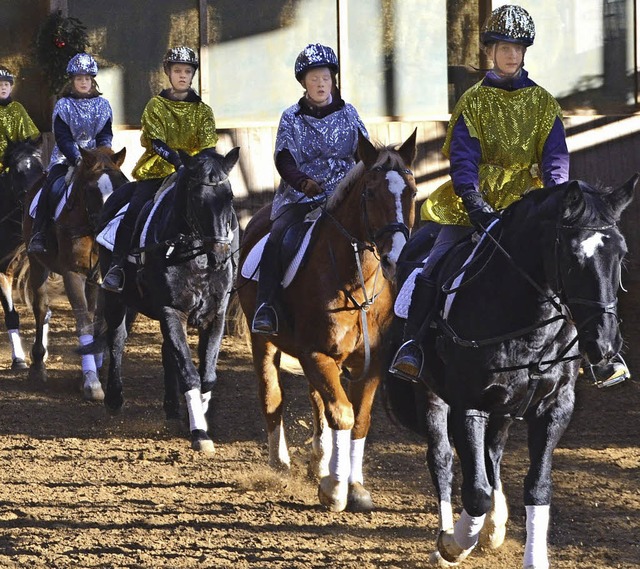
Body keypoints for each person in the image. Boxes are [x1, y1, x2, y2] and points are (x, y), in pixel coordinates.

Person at [391, 5, 630, 387]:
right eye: (504, 47)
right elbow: (464, 159)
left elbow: (554, 158)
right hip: (474, 203)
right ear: (490, 51)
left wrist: (555, 200)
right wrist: (474, 203)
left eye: (518, 48)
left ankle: (600, 354)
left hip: (529, 205)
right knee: (434, 264)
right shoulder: (473, 101)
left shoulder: (543, 102)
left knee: (573, 265)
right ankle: (413, 346)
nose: (511, 54)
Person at [251, 43, 368, 335]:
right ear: (303, 82)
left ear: (333, 80)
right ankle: (266, 305)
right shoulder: (291, 117)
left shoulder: (349, 113)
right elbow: (284, 157)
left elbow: (364, 152)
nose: (320, 84)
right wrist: (302, 181)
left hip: (343, 191)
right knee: (277, 238)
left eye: (325, 78)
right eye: (314, 79)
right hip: (302, 194)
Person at [101, 46, 217, 293]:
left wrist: (200, 166)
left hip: (193, 173)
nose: (183, 75)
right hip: (159, 170)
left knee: (218, 206)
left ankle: (224, 264)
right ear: (168, 73)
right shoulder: (155, 105)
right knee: (134, 211)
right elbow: (155, 140)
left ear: (193, 74)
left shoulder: (203, 111)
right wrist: (177, 161)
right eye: (177, 71)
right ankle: (118, 266)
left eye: (187, 71)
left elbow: (208, 145)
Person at [28, 53, 113, 254]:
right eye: (79, 78)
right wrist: (77, 158)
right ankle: (39, 233)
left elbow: (105, 134)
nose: (83, 82)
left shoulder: (103, 105)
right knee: (51, 186)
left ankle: (114, 233)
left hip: (96, 159)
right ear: (72, 81)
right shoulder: (63, 105)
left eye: (87, 78)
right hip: (67, 158)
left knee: (115, 184)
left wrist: (103, 155)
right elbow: (63, 137)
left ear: (92, 80)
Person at [0, 66, 40, 174]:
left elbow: (28, 138)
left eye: (6, 85)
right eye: (0, 85)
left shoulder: (17, 108)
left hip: (13, 161)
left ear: (11, 87)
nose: (3, 88)